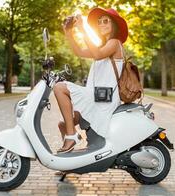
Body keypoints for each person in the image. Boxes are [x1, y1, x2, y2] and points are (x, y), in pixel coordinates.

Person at [54, 7, 128, 154]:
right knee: (63, 124)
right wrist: (69, 34)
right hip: (97, 97)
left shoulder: (115, 43)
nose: (101, 24)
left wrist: (82, 29)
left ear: (114, 24)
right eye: (99, 22)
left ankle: (72, 136)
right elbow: (79, 52)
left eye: (105, 21)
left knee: (59, 87)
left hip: (104, 98)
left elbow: (98, 54)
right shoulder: (103, 46)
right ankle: (67, 158)